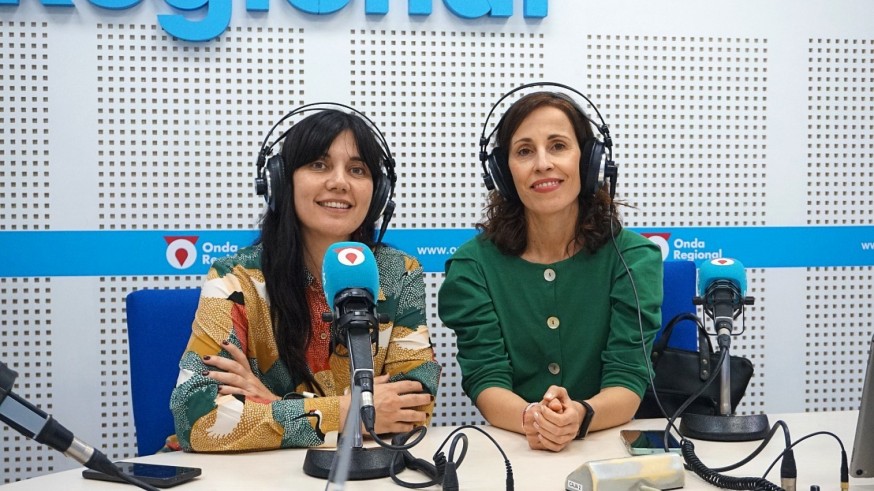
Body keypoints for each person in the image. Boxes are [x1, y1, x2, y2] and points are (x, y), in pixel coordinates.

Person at [168, 108, 441, 452]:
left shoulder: (399, 273)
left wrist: (268, 402)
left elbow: (412, 407)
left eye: (357, 170)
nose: (339, 182)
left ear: (379, 192)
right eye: (319, 165)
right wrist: (346, 412)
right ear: (281, 181)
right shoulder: (235, 279)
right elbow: (198, 420)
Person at [438, 90, 663, 452]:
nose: (542, 163)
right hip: (518, 446)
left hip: (606, 446)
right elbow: (486, 378)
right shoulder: (472, 267)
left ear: (589, 161)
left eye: (558, 146)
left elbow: (628, 377)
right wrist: (534, 418)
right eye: (525, 151)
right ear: (503, 171)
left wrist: (579, 416)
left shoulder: (633, 258)